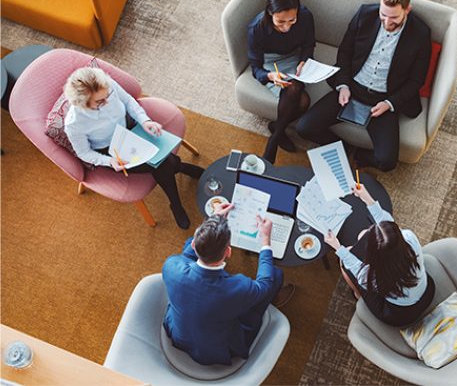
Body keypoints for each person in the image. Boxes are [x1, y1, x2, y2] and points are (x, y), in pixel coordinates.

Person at [296, 0, 431, 172]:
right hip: (352, 87)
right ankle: (342, 146)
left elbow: (416, 80)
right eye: (383, 15)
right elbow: (344, 53)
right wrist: (343, 85)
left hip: (384, 99)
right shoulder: (364, 14)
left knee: (387, 162)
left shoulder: (421, 34)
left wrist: (389, 103)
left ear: (407, 10)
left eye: (394, 18)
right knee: (304, 128)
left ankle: (360, 156)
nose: (386, 23)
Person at [63, 66, 204, 229]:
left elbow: (129, 101)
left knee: (161, 161)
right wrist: (110, 161)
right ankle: (176, 197)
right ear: (83, 104)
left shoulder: (107, 85)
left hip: (129, 128)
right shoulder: (74, 124)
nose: (107, 102)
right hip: (111, 150)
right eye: (100, 102)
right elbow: (84, 152)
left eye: (108, 95)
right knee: (161, 164)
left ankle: (179, 174)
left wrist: (145, 121)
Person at [162, 202, 295, 365]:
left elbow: (187, 254)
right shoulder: (237, 288)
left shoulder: (171, 266)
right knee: (275, 274)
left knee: (185, 254)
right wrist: (266, 240)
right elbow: (265, 284)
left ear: (194, 245)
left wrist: (214, 220)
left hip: (179, 335)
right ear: (228, 252)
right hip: (218, 351)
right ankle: (273, 301)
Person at [324, 185, 435, 327]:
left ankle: (358, 294)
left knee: (344, 264)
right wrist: (367, 198)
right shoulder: (410, 238)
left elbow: (353, 265)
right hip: (428, 291)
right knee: (362, 235)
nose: (371, 228)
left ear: (372, 254)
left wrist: (338, 247)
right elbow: (388, 224)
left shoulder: (372, 276)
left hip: (400, 314)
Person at [247, 0, 316, 164]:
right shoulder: (256, 28)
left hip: (294, 57)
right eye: (280, 22)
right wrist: (270, 76)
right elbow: (255, 67)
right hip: (271, 63)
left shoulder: (305, 16)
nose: (286, 27)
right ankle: (277, 136)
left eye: (291, 21)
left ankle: (276, 131)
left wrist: (304, 61)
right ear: (270, 13)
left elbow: (309, 44)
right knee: (301, 98)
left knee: (300, 95)